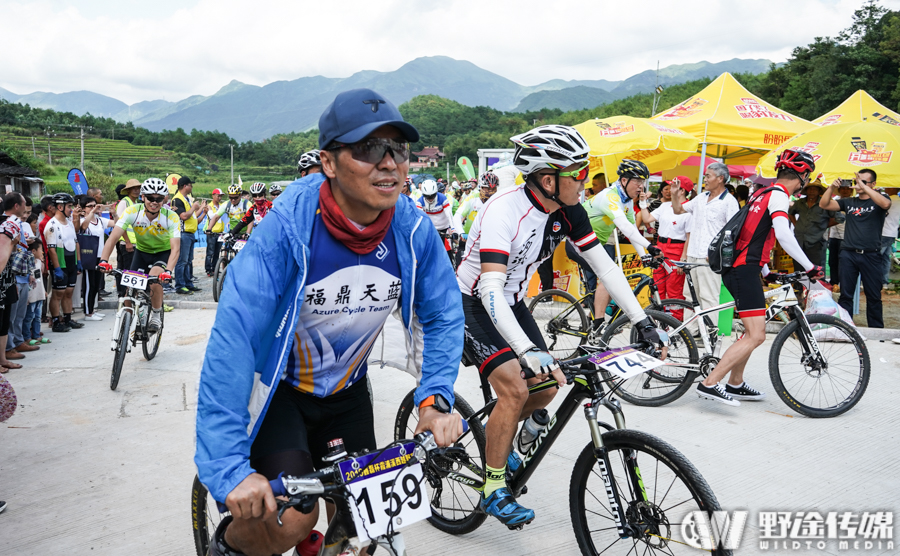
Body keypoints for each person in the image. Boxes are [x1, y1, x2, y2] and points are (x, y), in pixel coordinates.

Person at [196, 87, 463, 556]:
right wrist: (229, 467)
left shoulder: (414, 229)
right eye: (366, 149)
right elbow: (234, 340)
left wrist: (435, 399)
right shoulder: (287, 229)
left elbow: (442, 315)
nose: (388, 163)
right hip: (283, 394)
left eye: (397, 149)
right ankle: (227, 547)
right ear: (329, 163)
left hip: (347, 393)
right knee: (293, 519)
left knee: (366, 525)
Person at [456, 125, 665, 528]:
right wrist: (526, 349)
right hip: (472, 301)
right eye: (579, 174)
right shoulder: (503, 210)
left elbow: (605, 266)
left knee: (550, 385)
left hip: (509, 302)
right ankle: (493, 486)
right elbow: (490, 289)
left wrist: (642, 322)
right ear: (548, 179)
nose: (586, 183)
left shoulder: (567, 211)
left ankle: (503, 440)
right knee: (516, 386)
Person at [696, 149, 823, 406]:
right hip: (743, 269)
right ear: (802, 176)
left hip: (745, 267)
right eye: (806, 177)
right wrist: (809, 266)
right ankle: (710, 383)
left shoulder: (762, 193)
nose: (805, 182)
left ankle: (735, 383)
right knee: (757, 335)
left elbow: (753, 235)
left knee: (751, 331)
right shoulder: (778, 196)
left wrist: (766, 270)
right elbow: (783, 235)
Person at [583, 159, 661, 330]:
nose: (641, 186)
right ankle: (598, 323)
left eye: (644, 182)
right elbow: (625, 227)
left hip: (596, 243)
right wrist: (649, 247)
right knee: (609, 276)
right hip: (580, 242)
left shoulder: (625, 199)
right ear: (624, 181)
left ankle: (597, 319)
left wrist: (644, 256)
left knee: (610, 276)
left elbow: (633, 229)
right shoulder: (610, 196)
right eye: (638, 181)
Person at [99, 178, 179, 334]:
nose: (154, 202)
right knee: (130, 290)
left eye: (159, 199)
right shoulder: (132, 211)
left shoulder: (171, 216)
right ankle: (127, 323)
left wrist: (168, 271)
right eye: (150, 198)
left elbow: (176, 248)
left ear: (164, 200)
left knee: (155, 279)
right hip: (141, 252)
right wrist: (103, 260)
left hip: (162, 253)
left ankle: (156, 314)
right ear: (143, 197)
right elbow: (114, 237)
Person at [671, 162, 740, 335]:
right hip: (693, 255)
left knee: (708, 297)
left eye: (708, 176)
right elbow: (678, 210)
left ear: (720, 178)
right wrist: (674, 195)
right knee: (690, 296)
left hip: (709, 258)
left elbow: (733, 231)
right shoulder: (701, 197)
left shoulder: (729, 201)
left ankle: (710, 334)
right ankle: (690, 332)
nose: (705, 180)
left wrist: (720, 254)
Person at [820, 169, 891, 328]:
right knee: (846, 295)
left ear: (873, 184)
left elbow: (886, 204)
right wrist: (831, 188)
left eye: (863, 181)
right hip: (848, 254)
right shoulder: (849, 202)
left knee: (873, 296)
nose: (858, 184)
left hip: (871, 255)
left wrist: (864, 188)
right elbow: (824, 204)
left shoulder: (881, 199)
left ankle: (876, 332)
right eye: (856, 181)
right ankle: (845, 329)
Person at [638, 177, 695, 320]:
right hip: (660, 247)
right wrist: (643, 202)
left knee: (674, 287)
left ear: (682, 191)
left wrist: (684, 257)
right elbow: (647, 219)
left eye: (674, 187)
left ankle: (675, 320)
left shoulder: (689, 209)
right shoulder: (665, 206)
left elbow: (690, 236)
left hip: (677, 248)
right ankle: (659, 317)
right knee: (658, 284)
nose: (670, 190)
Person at [44, 193, 83, 333]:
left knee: (69, 292)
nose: (71, 209)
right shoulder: (52, 225)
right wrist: (57, 268)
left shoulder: (70, 223)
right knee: (57, 293)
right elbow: (52, 250)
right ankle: (55, 321)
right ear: (59, 207)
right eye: (69, 206)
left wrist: (78, 261)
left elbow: (76, 242)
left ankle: (67, 319)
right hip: (60, 263)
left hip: (71, 261)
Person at [4, 193, 35, 359]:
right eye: (23, 204)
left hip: (22, 272)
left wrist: (30, 272)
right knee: (11, 315)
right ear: (16, 206)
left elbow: (24, 250)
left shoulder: (18, 224)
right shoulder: (6, 224)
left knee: (20, 313)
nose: (26, 208)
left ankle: (18, 341)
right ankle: (8, 347)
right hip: (12, 275)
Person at [787, 179, 836, 270]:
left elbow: (838, 218)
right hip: (799, 240)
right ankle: (799, 284)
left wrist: (824, 225)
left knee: (816, 269)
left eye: (814, 189)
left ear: (819, 191)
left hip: (816, 241)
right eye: (809, 189)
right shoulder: (799, 202)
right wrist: (796, 224)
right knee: (799, 267)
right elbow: (790, 213)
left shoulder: (825, 203)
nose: (812, 191)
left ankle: (817, 284)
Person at [76, 195, 110, 321]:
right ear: (84, 209)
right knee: (89, 285)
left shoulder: (100, 220)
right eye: (89, 206)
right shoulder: (80, 220)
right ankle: (87, 312)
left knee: (96, 285)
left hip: (100, 255)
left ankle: (92, 309)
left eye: (94, 205)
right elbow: (83, 227)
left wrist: (114, 213)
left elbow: (115, 223)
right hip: (89, 256)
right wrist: (92, 212)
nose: (93, 208)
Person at [454, 172, 498, 268]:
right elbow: (457, 216)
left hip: (489, 242)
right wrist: (461, 233)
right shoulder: (472, 198)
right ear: (481, 187)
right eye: (487, 188)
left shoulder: (499, 200)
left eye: (493, 189)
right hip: (468, 239)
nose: (490, 191)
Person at [171, 176, 205, 295]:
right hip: (183, 233)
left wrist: (200, 209)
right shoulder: (177, 199)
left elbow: (193, 216)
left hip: (190, 233)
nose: (192, 187)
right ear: (185, 186)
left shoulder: (187, 199)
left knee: (189, 260)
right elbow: (184, 216)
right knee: (182, 260)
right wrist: (194, 208)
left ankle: (188, 283)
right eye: (191, 185)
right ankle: (180, 285)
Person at [0, 205, 22, 373]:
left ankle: (2, 359)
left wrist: (13, 243)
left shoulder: (6, 225)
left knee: (4, 322)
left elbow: (10, 253)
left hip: (7, 279)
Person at [415, 179, 460, 260]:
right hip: (431, 229)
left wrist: (453, 230)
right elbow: (420, 218)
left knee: (447, 252)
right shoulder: (419, 201)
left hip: (444, 228)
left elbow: (449, 215)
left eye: (432, 196)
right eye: (427, 196)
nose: (430, 199)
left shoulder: (442, 198)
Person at [114, 180, 141, 295]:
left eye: (138, 188)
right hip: (128, 243)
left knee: (133, 271)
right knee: (128, 272)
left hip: (136, 243)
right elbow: (120, 223)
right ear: (128, 190)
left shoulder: (136, 203)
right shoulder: (124, 203)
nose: (136, 190)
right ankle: (125, 297)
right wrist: (127, 241)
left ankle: (130, 296)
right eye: (133, 188)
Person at [827, 182, 853, 290]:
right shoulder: (833, 202)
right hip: (834, 236)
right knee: (833, 261)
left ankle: (845, 285)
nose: (845, 190)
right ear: (839, 189)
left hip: (848, 238)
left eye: (848, 188)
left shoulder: (854, 202)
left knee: (846, 263)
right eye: (843, 188)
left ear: (851, 191)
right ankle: (834, 284)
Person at [23, 241, 48, 347]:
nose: (42, 252)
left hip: (39, 294)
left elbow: (40, 279)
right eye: (40, 249)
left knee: (37, 316)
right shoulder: (28, 264)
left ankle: (37, 335)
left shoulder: (39, 262)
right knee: (29, 317)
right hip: (31, 295)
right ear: (33, 251)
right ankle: (27, 337)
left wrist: (44, 291)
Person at [879, 187, 900, 286]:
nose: (885, 187)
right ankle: (884, 282)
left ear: (893, 188)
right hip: (892, 233)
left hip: (883, 232)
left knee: (876, 257)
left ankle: (873, 281)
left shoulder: (889, 200)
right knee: (885, 259)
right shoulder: (898, 200)